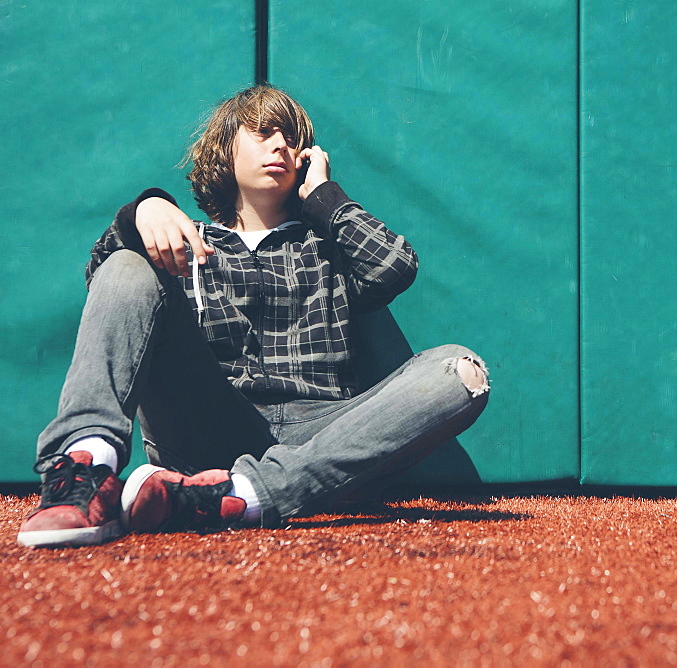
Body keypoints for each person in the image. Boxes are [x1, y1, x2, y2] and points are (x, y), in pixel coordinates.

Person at [16, 85, 489, 548]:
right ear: (226, 147)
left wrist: (323, 194)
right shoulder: (184, 236)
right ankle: (84, 471)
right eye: (264, 133)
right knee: (126, 263)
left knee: (459, 373)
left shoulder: (327, 243)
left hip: (322, 435)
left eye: (291, 139)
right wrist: (145, 209)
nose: (280, 145)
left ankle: (238, 497)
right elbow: (106, 281)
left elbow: (393, 267)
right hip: (205, 425)